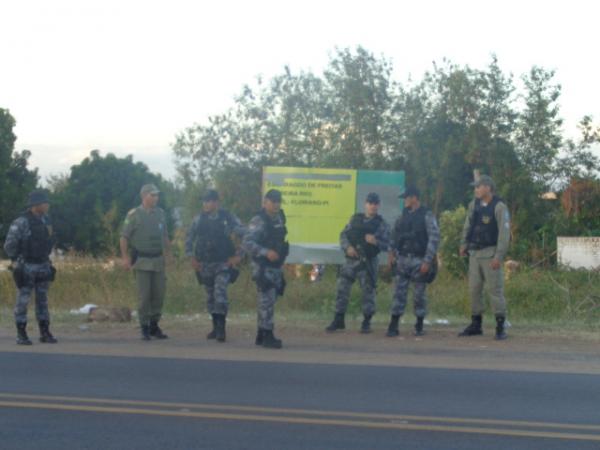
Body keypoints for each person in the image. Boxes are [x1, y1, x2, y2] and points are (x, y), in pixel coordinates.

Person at [185, 189, 245, 342]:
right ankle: (214, 326)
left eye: (209, 201)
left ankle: (221, 328)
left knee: (220, 295)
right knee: (210, 297)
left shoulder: (228, 218)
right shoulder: (198, 219)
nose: (206, 204)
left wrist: (239, 255)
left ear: (216, 202)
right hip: (205, 264)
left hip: (223, 263)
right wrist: (191, 257)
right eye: (204, 201)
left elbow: (245, 234)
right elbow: (189, 238)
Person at [326, 192, 390, 334]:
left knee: (368, 291)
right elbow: (343, 235)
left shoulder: (381, 224)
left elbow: (389, 244)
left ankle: (366, 322)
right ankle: (339, 319)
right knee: (342, 288)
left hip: (368, 261)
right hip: (351, 260)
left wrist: (375, 241)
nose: (372, 206)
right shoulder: (355, 219)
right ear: (365, 204)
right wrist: (347, 247)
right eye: (370, 203)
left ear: (378, 205)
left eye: (375, 203)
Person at [458, 175, 510, 340]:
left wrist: (498, 256)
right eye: (475, 187)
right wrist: (463, 243)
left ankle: (500, 325)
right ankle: (476, 324)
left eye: (478, 187)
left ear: (487, 187)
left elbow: (504, 233)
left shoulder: (499, 207)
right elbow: (468, 224)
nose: (476, 190)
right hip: (475, 254)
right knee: (474, 290)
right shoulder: (474, 205)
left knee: (495, 290)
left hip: (490, 254)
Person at [4, 190, 58, 345]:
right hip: (26, 266)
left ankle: (45, 332)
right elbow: (9, 245)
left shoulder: (46, 220)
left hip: (43, 264)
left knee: (43, 301)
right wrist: (16, 261)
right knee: (23, 301)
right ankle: (21, 333)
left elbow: (49, 241)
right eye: (44, 202)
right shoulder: (21, 222)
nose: (47, 205)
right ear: (36, 205)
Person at [120, 184, 171, 341]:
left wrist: (168, 254)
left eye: (157, 195)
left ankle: (155, 325)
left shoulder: (160, 214)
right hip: (142, 260)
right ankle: (144, 327)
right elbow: (124, 237)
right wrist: (125, 258)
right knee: (144, 296)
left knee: (159, 295)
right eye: (153, 195)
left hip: (158, 260)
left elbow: (165, 236)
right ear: (144, 196)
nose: (156, 198)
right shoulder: (134, 215)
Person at [387, 186, 440, 337]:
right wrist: (391, 253)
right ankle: (394, 323)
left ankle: (419, 323)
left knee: (419, 294)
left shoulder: (426, 215)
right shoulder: (402, 216)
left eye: (407, 197)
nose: (405, 201)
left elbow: (434, 238)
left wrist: (428, 261)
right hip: (403, 258)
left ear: (414, 198)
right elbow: (394, 234)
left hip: (419, 259)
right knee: (398, 292)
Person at [243, 189, 289, 349]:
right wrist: (265, 252)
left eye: (278, 201)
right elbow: (247, 243)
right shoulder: (259, 220)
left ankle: (261, 333)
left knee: (269, 299)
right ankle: (268, 335)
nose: (276, 204)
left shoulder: (279, 218)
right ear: (265, 202)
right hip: (262, 265)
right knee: (266, 299)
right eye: (273, 201)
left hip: (275, 265)